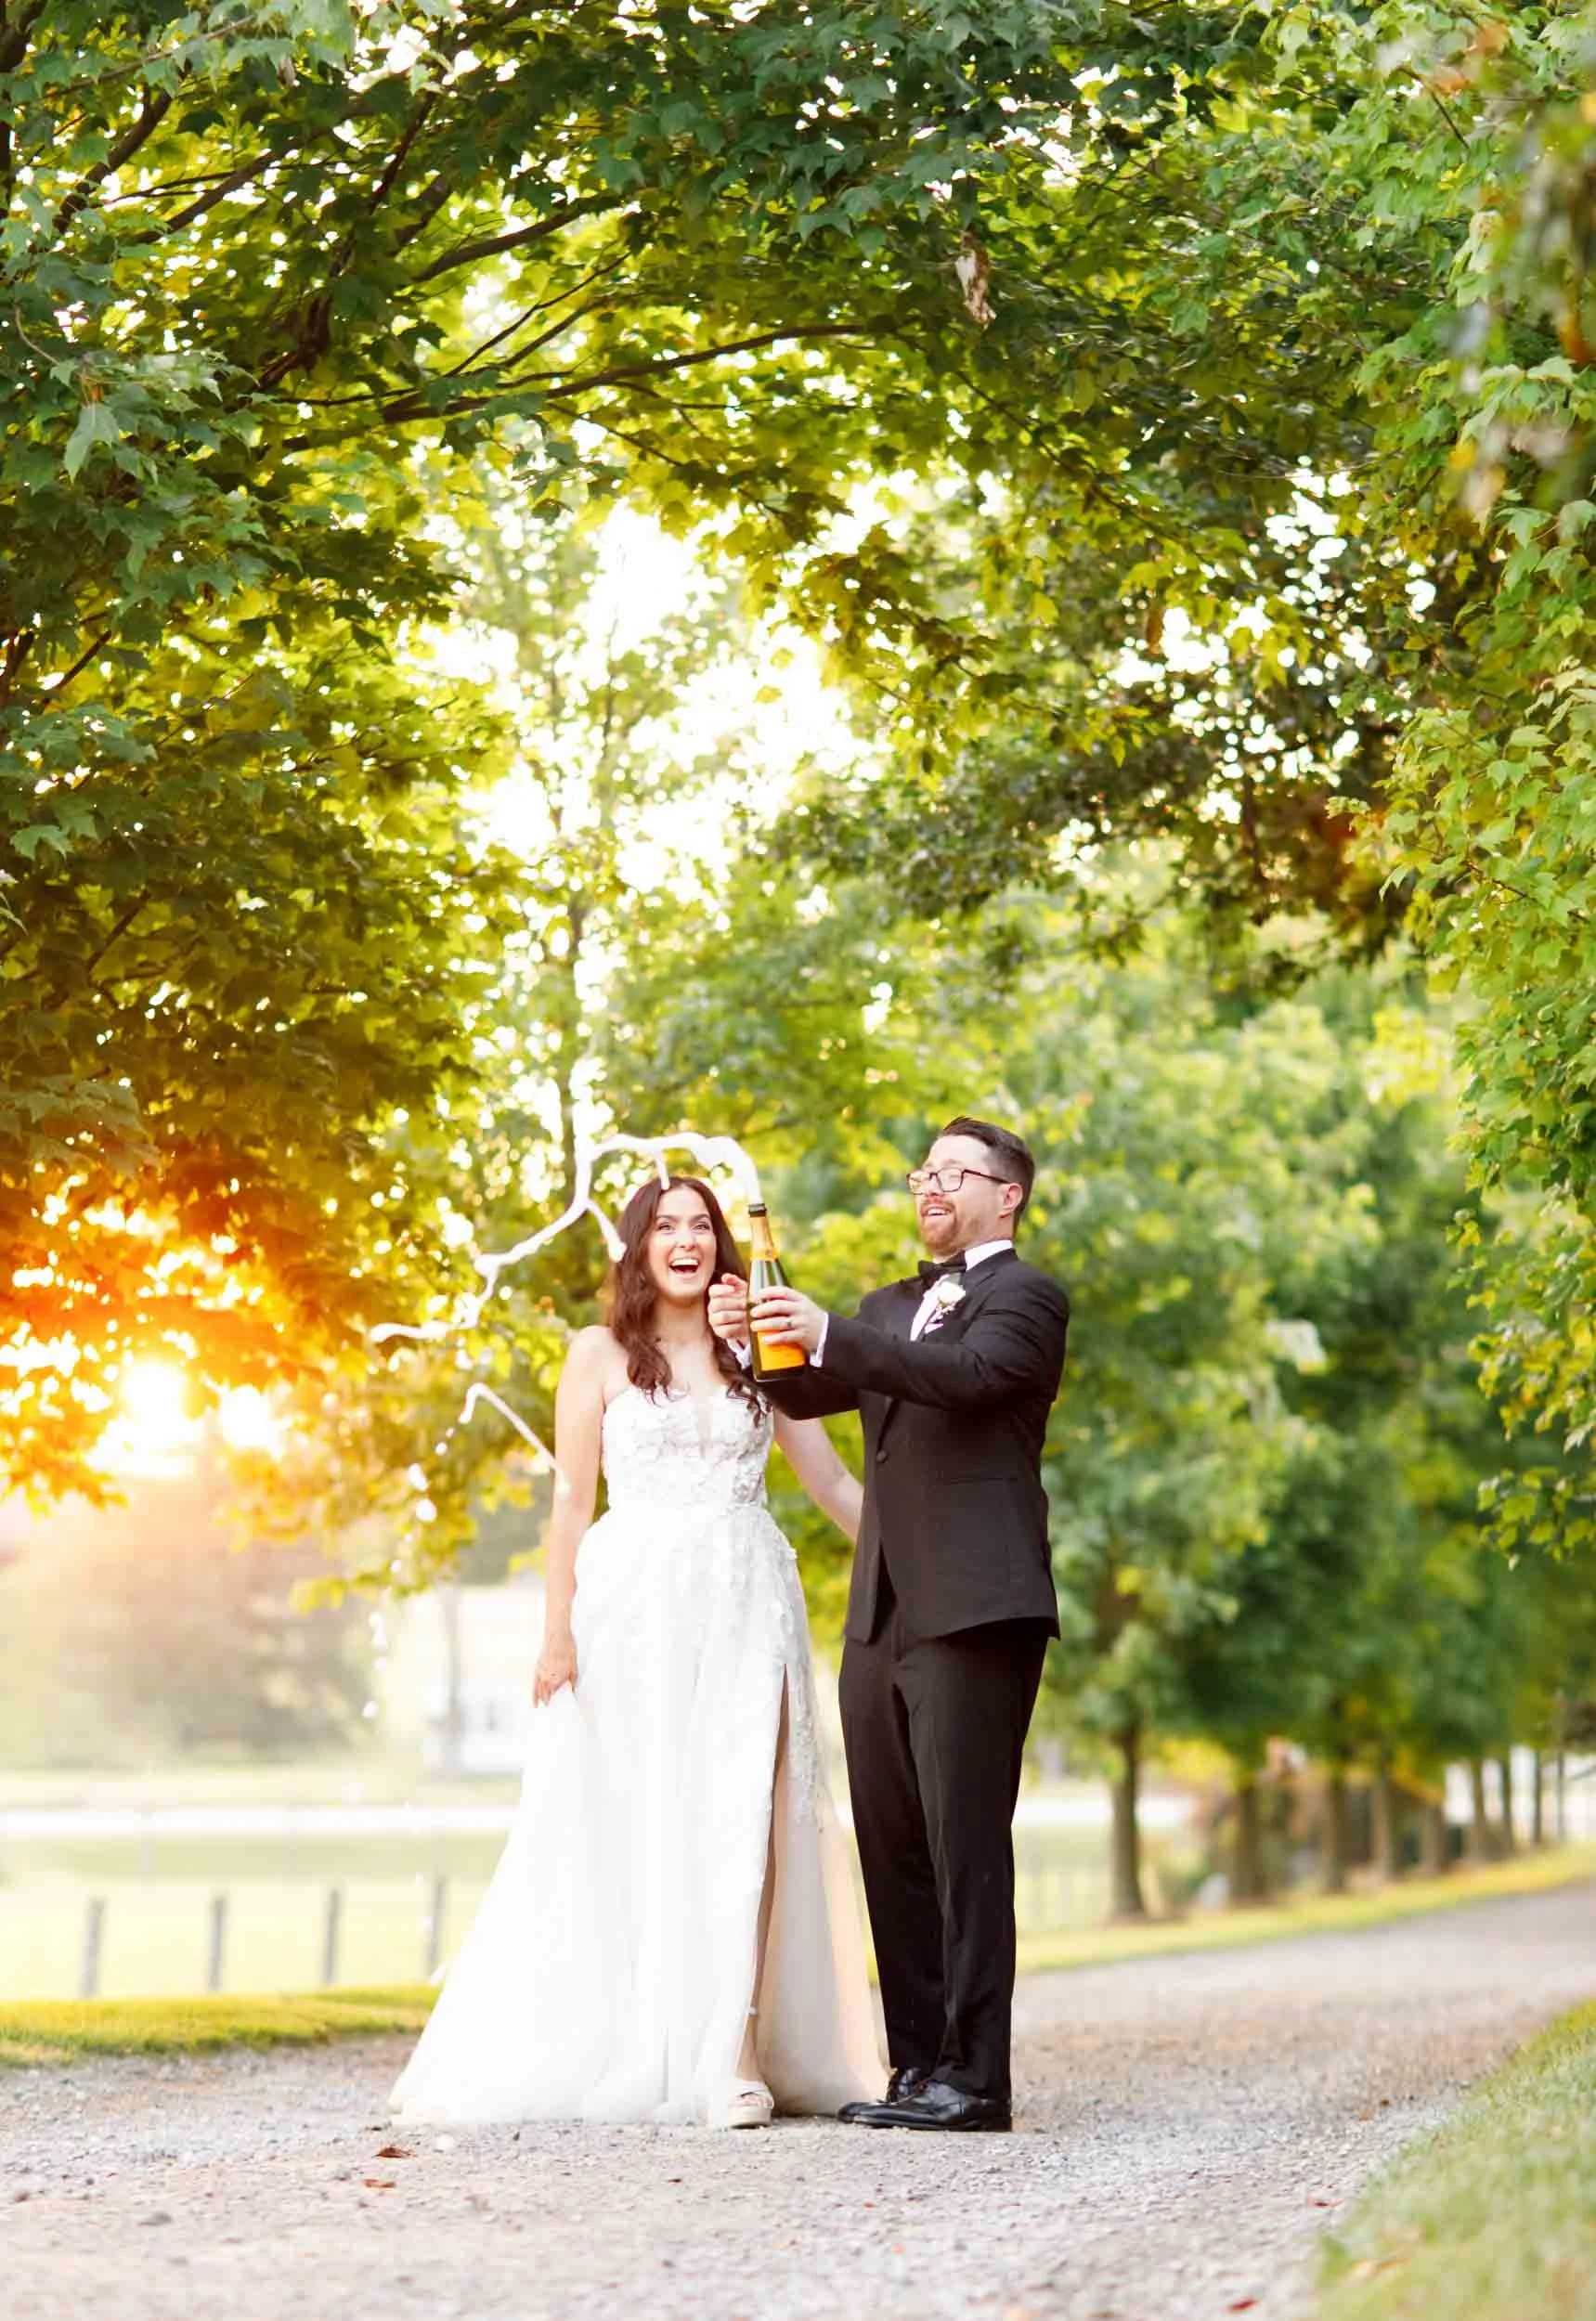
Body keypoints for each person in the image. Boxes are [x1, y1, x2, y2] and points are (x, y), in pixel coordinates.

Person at [391, 1175, 883, 2131]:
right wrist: (555, 1632)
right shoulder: (599, 1353)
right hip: (633, 1607)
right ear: (640, 1245)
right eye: (669, 1226)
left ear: (724, 1247)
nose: (689, 1240)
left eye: (704, 1226)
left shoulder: (758, 1349)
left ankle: (735, 2053)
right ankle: (647, 2029)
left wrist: (925, 1550)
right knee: (648, 1812)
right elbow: (571, 1500)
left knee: (754, 1808)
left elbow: (825, 1478)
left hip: (747, 1595)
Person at [708, 1117, 1068, 2134]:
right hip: (882, 1615)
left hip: (978, 1605)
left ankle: (977, 2079)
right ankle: (917, 2069)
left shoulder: (1026, 1300)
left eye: (957, 1173)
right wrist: (755, 1340)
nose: (933, 1186)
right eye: (925, 1171)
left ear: (1008, 1196)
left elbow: (966, 1378)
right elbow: (809, 1383)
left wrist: (828, 1332)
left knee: (965, 1844)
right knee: (896, 1846)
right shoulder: (885, 1306)